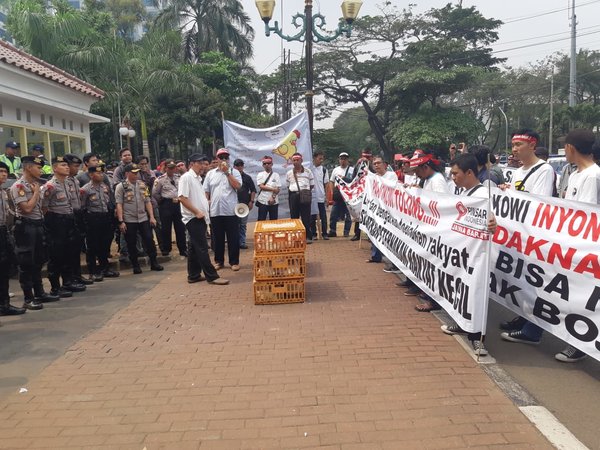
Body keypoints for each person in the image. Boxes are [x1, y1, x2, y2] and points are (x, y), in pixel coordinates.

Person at [499, 129, 556, 345]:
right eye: (512, 145)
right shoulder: (518, 171)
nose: (514, 149)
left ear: (532, 145)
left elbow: (538, 204)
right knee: (521, 281)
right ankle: (523, 317)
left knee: (536, 283)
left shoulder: (544, 170)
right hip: (517, 236)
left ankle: (534, 330)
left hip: (533, 237)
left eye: (519, 145)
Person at [441, 153, 497, 356]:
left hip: (479, 255)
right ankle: (462, 323)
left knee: (476, 294)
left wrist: (493, 224)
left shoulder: (484, 195)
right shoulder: (464, 193)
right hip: (462, 252)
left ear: (470, 172)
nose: (453, 177)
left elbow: (497, 222)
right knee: (461, 290)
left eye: (456, 174)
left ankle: (478, 338)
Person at [554, 129, 600, 363]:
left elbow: (585, 215)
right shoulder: (574, 174)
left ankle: (580, 344)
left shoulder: (592, 176)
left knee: (583, 297)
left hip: (584, 247)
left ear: (571, 148)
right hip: (570, 244)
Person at [9, 156, 59, 310]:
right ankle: (28, 297)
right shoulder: (19, 186)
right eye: (38, 167)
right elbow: (27, 209)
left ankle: (39, 293)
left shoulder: (36, 184)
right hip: (26, 227)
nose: (41, 170)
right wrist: (36, 192)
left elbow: (42, 208)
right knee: (26, 263)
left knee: (38, 260)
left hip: (38, 225)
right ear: (29, 167)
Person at [407, 151, 451, 311]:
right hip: (429, 227)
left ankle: (434, 301)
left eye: (417, 171)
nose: (416, 175)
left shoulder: (437, 181)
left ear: (425, 167)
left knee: (434, 266)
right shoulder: (427, 180)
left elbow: (442, 205)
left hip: (437, 229)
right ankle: (429, 296)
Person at [178, 154, 228, 285]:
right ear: (192, 164)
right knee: (202, 248)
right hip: (193, 218)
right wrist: (197, 211)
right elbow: (182, 198)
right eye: (200, 163)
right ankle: (212, 276)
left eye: (204, 163)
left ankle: (193, 275)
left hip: (200, 217)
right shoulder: (186, 178)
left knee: (194, 248)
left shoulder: (197, 179)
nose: (203, 166)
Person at [41, 156, 86, 298]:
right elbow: (43, 206)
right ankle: (55, 286)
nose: (67, 167)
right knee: (56, 254)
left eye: (67, 165)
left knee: (68, 252)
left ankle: (68, 281)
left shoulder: (69, 183)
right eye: (62, 165)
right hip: (56, 221)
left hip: (69, 220)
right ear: (54, 168)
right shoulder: (50, 186)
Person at [115, 163, 164, 274]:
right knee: (131, 243)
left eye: (137, 172)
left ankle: (154, 262)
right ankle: (135, 266)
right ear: (127, 173)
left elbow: (147, 201)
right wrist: (121, 221)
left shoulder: (142, 185)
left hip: (143, 218)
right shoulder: (121, 186)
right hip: (129, 219)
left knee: (149, 240)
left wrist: (151, 217)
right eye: (133, 172)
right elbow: (119, 204)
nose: (136, 174)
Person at [203, 148, 242, 270]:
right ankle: (219, 261)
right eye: (221, 157)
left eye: (226, 157)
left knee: (233, 238)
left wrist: (227, 173)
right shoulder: (210, 174)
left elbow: (238, 186)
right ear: (217, 159)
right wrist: (207, 203)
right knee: (217, 238)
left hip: (230, 210)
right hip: (215, 211)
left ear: (229, 159)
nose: (224, 159)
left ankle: (234, 262)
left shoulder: (234, 172)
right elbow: (206, 191)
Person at [80, 165, 120, 281]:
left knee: (104, 244)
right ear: (91, 175)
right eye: (98, 173)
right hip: (92, 218)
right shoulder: (85, 189)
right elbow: (82, 206)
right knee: (92, 246)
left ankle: (105, 268)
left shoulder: (105, 187)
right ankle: (93, 271)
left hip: (105, 217)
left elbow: (108, 201)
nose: (101, 175)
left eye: (102, 173)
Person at [0, 161, 26, 316]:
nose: (4, 174)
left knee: (4, 269)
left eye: (5, 172)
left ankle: (4, 304)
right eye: (1, 171)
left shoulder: (4, 192)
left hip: (3, 231)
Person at [64, 154, 92, 287]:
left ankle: (77, 275)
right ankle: (70, 278)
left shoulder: (75, 180)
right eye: (75, 166)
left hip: (78, 214)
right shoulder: (63, 181)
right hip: (68, 216)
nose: (77, 169)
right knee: (69, 250)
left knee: (77, 248)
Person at [152, 159, 187, 257]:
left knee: (180, 227)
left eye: (173, 168)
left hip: (178, 204)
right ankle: (166, 248)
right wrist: (162, 201)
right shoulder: (160, 179)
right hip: (166, 204)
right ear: (165, 168)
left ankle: (183, 249)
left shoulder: (179, 178)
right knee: (166, 228)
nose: (171, 170)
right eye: (169, 168)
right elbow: (155, 193)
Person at [366, 157, 398, 263]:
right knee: (375, 231)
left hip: (389, 210)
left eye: (378, 163)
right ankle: (375, 256)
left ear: (385, 165)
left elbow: (392, 189)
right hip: (376, 209)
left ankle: (391, 258)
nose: (376, 165)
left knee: (389, 233)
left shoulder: (391, 175)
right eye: (374, 164)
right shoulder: (373, 177)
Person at [286, 152, 314, 243]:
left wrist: (304, 192)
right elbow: (288, 185)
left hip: (305, 195)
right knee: (294, 217)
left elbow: (312, 185)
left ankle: (308, 237)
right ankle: (296, 238)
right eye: (294, 160)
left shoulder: (308, 171)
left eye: (297, 160)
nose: (296, 162)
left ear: (301, 160)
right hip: (293, 196)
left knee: (306, 217)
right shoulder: (289, 173)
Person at [328, 152, 354, 237]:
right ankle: (332, 231)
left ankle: (346, 232)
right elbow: (331, 181)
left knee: (348, 214)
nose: (343, 160)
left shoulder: (351, 170)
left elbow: (353, 181)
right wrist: (332, 191)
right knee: (333, 214)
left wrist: (344, 178)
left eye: (345, 159)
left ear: (348, 160)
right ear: (339, 160)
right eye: (341, 159)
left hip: (347, 195)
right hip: (338, 194)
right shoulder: (335, 170)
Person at [233, 159, 256, 249]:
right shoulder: (231, 177)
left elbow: (253, 190)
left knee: (242, 224)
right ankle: (234, 242)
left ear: (243, 166)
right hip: (233, 204)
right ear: (234, 166)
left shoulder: (247, 177)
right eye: (237, 165)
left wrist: (251, 201)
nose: (239, 167)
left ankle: (242, 242)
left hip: (244, 205)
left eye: (241, 165)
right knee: (234, 224)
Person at [309, 151, 329, 240]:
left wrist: (327, 197)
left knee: (323, 217)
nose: (321, 160)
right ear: (314, 158)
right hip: (312, 197)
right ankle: (314, 234)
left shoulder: (324, 170)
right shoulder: (309, 168)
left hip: (321, 196)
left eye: (322, 159)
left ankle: (324, 233)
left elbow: (327, 184)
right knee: (312, 217)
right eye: (319, 158)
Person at [255, 156, 280, 221]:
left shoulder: (276, 175)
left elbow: (278, 188)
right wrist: (273, 189)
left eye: (268, 163)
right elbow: (261, 186)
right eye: (265, 163)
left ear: (272, 164)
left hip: (273, 202)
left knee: (274, 221)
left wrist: (273, 197)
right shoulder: (260, 174)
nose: (267, 165)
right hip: (262, 201)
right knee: (261, 221)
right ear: (263, 165)